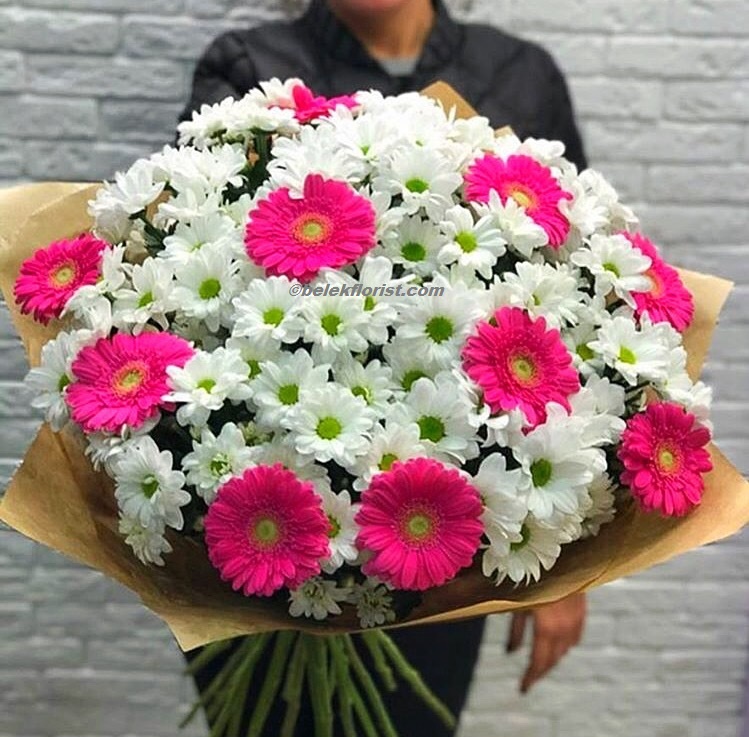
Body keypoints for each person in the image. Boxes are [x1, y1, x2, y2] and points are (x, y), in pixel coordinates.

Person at [180, 1, 588, 734]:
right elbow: (186, 268)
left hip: (448, 558)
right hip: (253, 543)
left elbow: (573, 298)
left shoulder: (520, 76)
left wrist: (564, 561)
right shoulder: (248, 68)